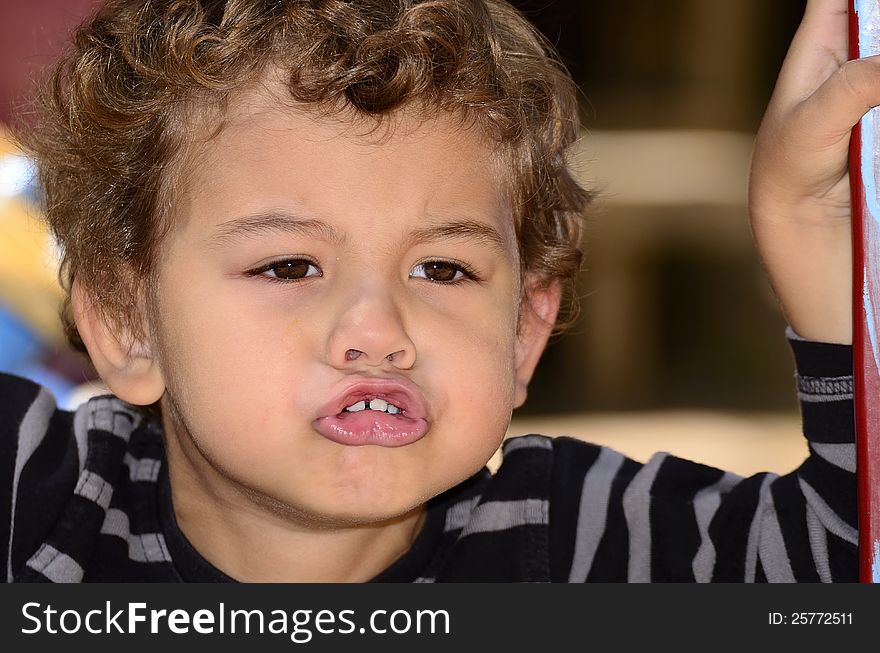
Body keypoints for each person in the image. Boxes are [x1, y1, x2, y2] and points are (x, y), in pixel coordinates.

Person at [0, 0, 864, 583]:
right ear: (126, 320)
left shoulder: (580, 545)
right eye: (289, 265)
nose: (379, 332)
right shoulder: (44, 504)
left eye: (442, 269)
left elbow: (842, 560)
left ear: (524, 330)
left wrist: (811, 239)